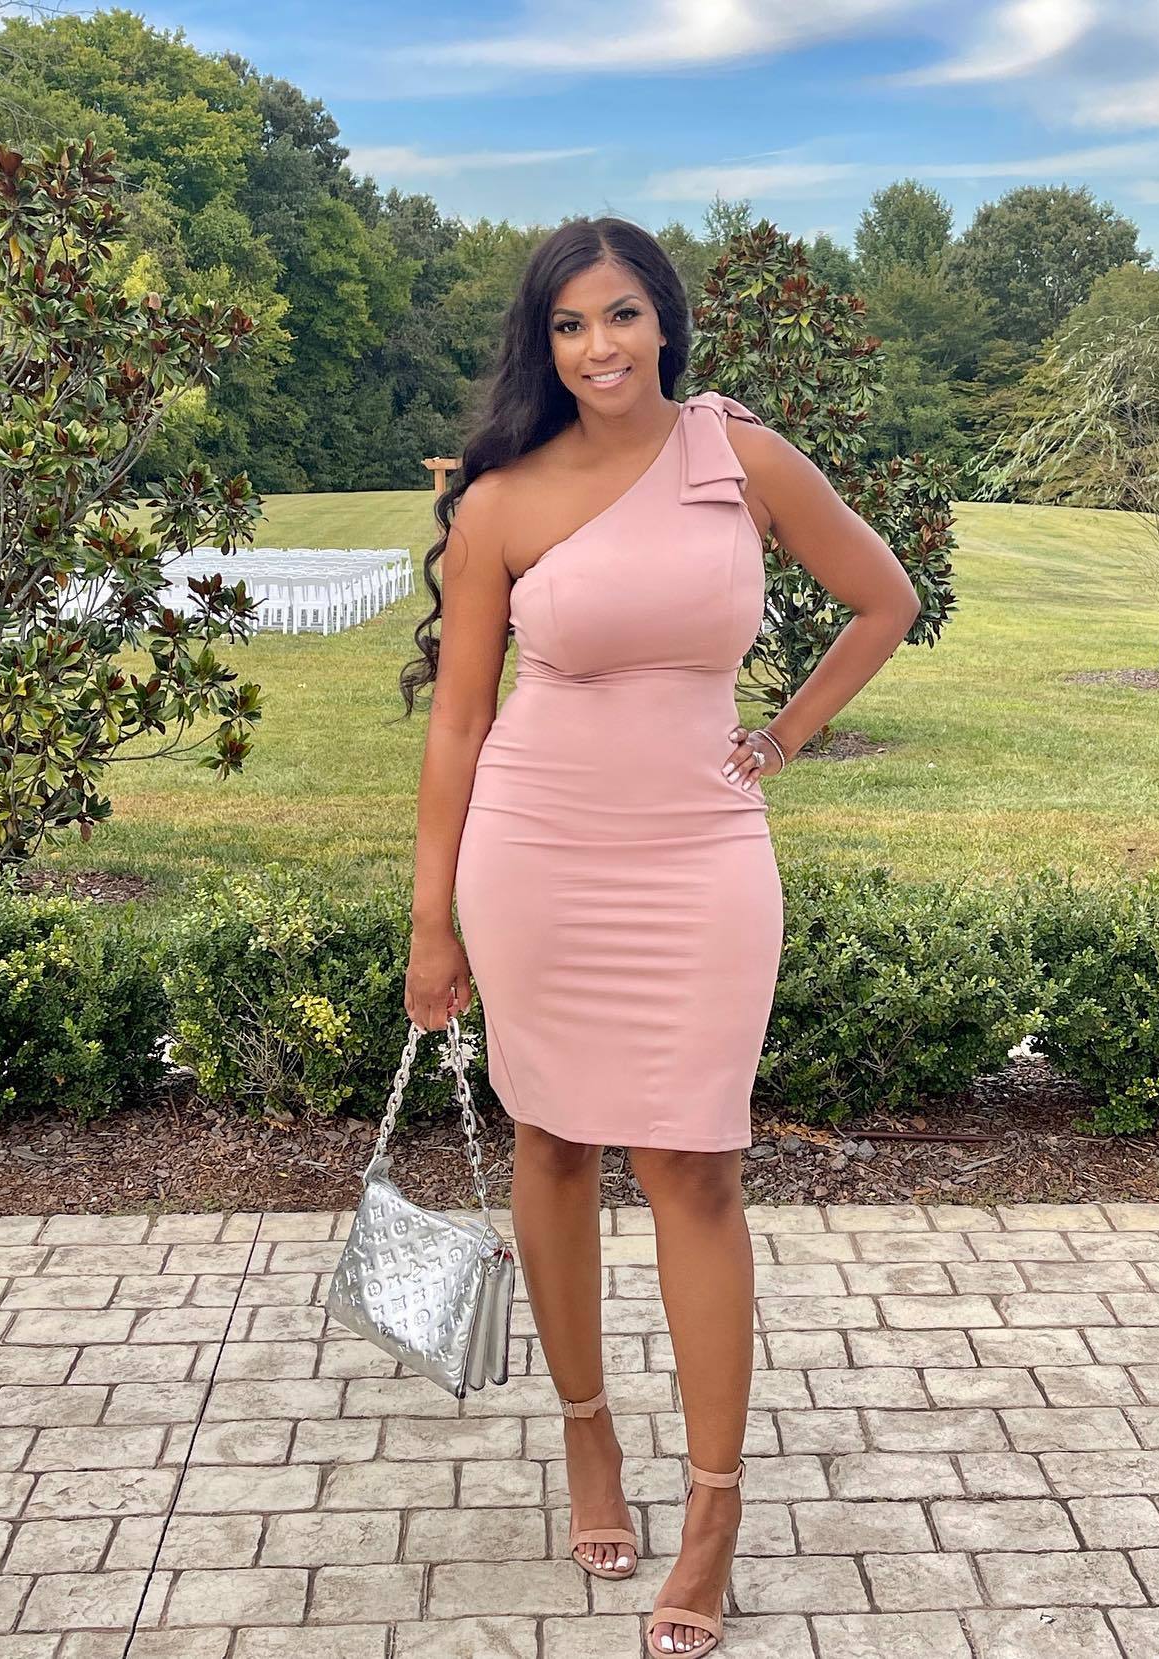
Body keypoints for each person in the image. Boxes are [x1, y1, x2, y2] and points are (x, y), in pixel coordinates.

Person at [399, 216, 921, 1658]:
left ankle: (713, 1510)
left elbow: (886, 599)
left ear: (666, 322)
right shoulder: (501, 502)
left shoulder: (735, 456)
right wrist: (432, 920)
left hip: (701, 855)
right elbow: (459, 723)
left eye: (621, 314)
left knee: (695, 1165)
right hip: (537, 855)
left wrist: (786, 735)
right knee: (556, 1144)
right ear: (543, 343)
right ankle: (588, 1437)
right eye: (569, 324)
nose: (599, 347)